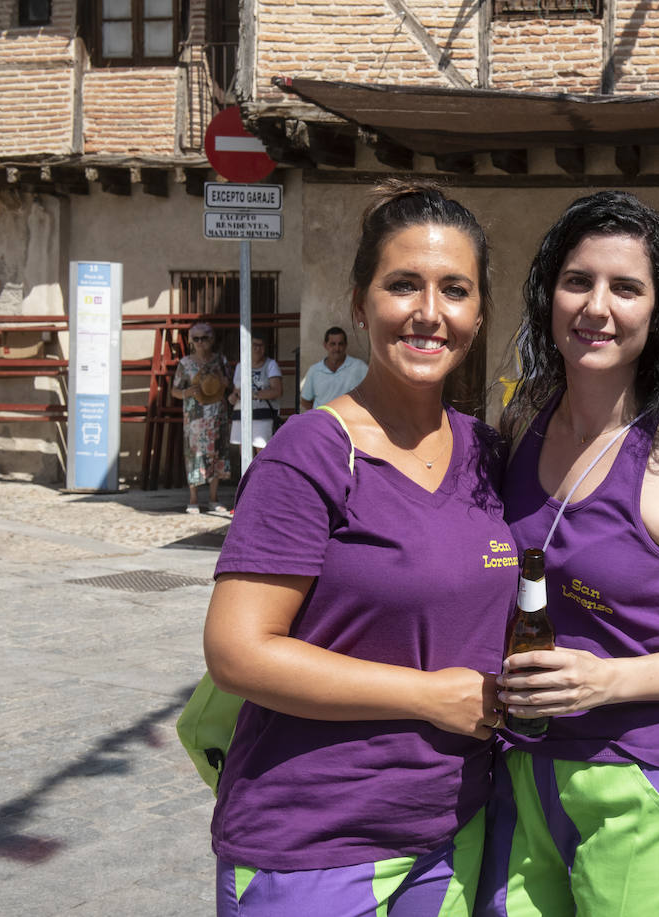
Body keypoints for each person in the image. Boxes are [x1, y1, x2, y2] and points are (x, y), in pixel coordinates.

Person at [202, 182, 515, 916]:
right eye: (402, 284)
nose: (429, 312)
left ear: (479, 312)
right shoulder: (311, 452)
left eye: (455, 290)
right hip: (312, 842)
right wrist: (432, 695)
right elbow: (238, 650)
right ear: (359, 302)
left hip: (454, 833)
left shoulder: (489, 455)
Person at [482, 191, 659, 916]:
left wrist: (604, 681)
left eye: (626, 287)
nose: (597, 306)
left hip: (643, 782)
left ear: (657, 311)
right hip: (520, 774)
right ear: (549, 294)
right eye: (578, 280)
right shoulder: (519, 426)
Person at [170, 321, 232, 514]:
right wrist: (187, 392)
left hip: (216, 414)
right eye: (196, 339)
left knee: (217, 453)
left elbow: (229, 384)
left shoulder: (220, 361)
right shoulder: (185, 363)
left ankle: (214, 498)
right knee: (194, 456)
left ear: (211, 339)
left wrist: (223, 382)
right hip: (195, 417)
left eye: (204, 338)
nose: (200, 343)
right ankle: (194, 499)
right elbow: (175, 390)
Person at [228, 331, 283, 454]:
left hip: (262, 415)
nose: (257, 349)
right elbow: (237, 390)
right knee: (245, 455)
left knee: (262, 453)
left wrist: (253, 395)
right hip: (241, 415)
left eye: (261, 345)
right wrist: (233, 396)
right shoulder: (240, 365)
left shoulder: (270, 365)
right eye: (254, 345)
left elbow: (277, 391)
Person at [299, 325, 368, 410]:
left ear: (346, 345)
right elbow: (305, 400)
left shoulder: (359, 367)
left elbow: (371, 395)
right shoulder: (314, 370)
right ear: (325, 345)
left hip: (349, 422)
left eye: (340, 344)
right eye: (333, 344)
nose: (337, 348)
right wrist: (318, 415)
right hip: (322, 422)